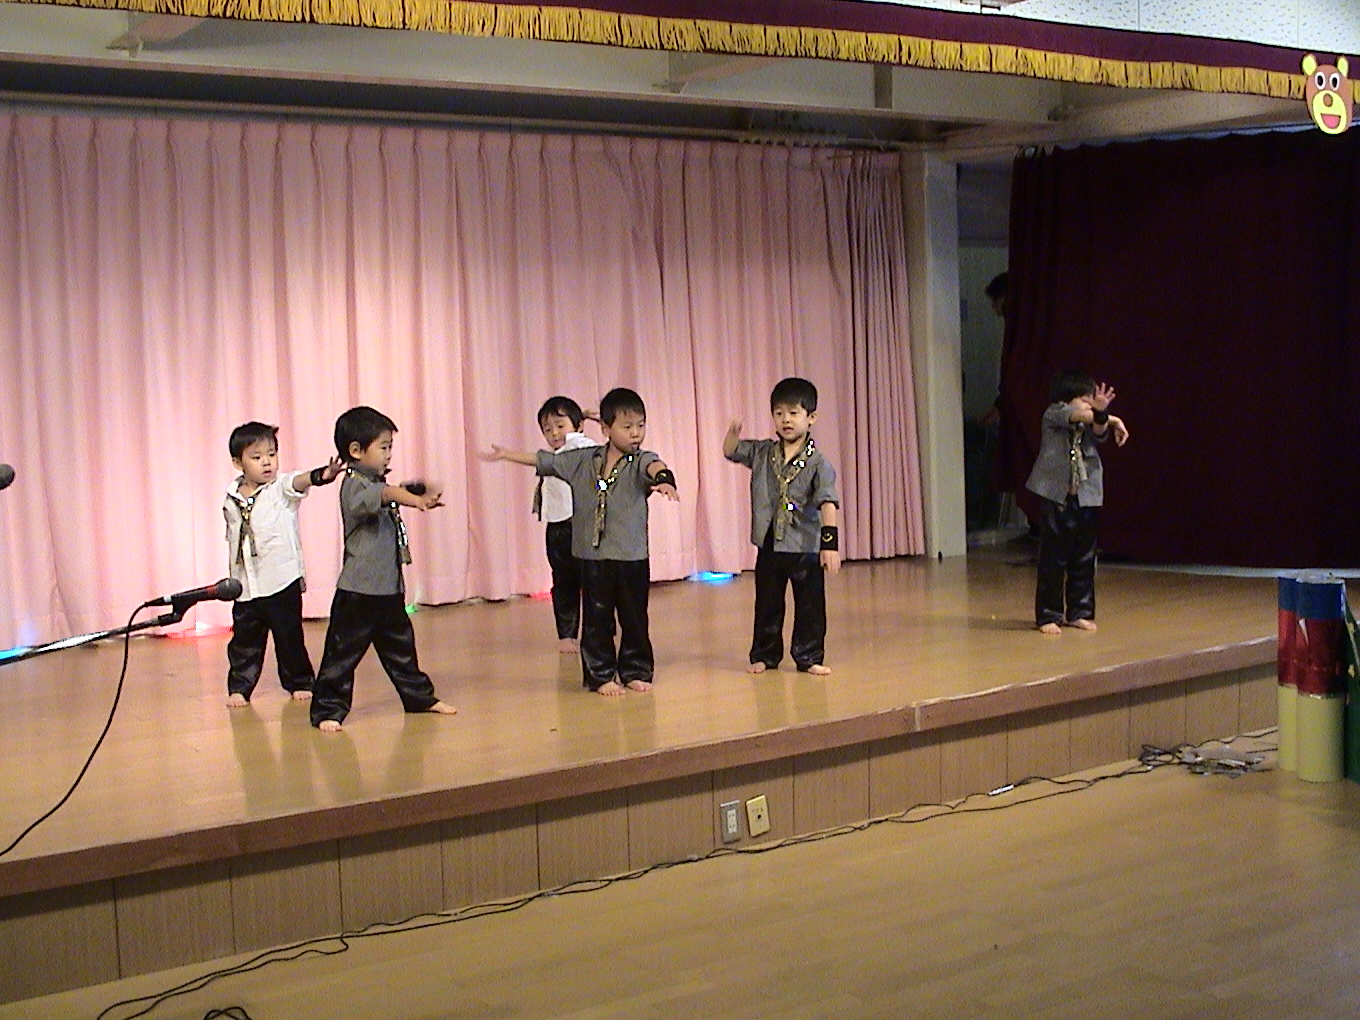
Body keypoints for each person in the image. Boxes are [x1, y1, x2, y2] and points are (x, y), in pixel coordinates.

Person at [483, 387, 678, 696]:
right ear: (606, 429)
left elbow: (656, 467)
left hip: (631, 556)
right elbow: (546, 461)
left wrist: (665, 479)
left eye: (640, 425)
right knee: (596, 618)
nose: (636, 433)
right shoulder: (584, 459)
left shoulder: (641, 460)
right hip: (593, 555)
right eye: (627, 426)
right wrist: (507, 455)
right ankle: (600, 675)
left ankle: (635, 670)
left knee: (634, 618)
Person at [310, 406, 457, 730]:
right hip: (358, 590)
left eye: (390, 447)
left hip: (388, 588)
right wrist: (415, 500)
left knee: (401, 648)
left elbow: (390, 491)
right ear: (355, 450)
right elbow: (385, 493)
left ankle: (419, 698)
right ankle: (328, 709)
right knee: (342, 653)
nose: (389, 454)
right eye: (384, 447)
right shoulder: (354, 485)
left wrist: (416, 492)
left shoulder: (374, 482)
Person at [724, 377, 840, 675]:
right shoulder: (763, 452)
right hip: (770, 543)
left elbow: (828, 501)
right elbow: (731, 451)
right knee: (767, 603)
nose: (786, 419)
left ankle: (809, 656)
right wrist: (733, 433)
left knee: (810, 605)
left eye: (793, 413)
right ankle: (765, 654)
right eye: (779, 413)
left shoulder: (819, 463)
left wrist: (829, 545)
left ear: (811, 417)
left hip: (804, 545)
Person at [223, 422, 343, 707]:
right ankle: (240, 687)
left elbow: (298, 481)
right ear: (238, 463)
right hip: (246, 585)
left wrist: (321, 476)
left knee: (289, 637)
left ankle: (299, 681)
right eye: (256, 457)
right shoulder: (231, 498)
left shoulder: (279, 489)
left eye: (272, 454)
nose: (267, 462)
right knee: (244, 641)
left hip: (281, 581)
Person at [1024, 371, 1129, 635]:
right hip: (1057, 497)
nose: (1090, 405)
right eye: (1086, 399)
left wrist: (1104, 417)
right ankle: (1048, 614)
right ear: (1067, 398)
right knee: (1053, 559)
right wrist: (1110, 416)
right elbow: (1078, 416)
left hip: (1086, 497)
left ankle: (1079, 612)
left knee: (1084, 558)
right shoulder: (1054, 413)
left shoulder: (1090, 419)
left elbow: (1098, 428)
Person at [532, 396, 599, 654]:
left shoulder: (581, 447)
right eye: (547, 429)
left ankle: (597, 631)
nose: (554, 433)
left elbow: (600, 443)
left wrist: (592, 419)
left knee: (592, 581)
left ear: (578, 426)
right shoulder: (555, 456)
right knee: (563, 581)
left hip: (581, 525)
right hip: (557, 526)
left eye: (560, 426)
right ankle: (567, 633)